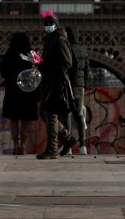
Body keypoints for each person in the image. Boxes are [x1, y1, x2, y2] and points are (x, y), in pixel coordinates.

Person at [36, 12, 77, 159]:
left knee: (51, 114)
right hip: (50, 81)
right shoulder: (51, 40)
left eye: (49, 23)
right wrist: (39, 62)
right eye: (45, 24)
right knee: (46, 114)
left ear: (56, 24)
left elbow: (67, 62)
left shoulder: (59, 39)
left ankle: (52, 149)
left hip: (56, 82)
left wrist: (46, 65)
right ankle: (67, 137)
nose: (47, 26)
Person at [0, 31, 40, 155]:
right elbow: (40, 69)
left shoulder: (9, 53)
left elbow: (3, 73)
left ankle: (15, 145)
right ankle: (23, 144)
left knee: (13, 118)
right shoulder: (32, 53)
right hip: (27, 91)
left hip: (12, 90)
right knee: (25, 119)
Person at [66, 26, 91, 155]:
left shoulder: (66, 49)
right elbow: (87, 73)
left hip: (68, 84)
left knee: (67, 114)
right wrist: (82, 83)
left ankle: (68, 147)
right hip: (79, 86)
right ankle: (83, 145)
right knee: (79, 114)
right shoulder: (83, 51)